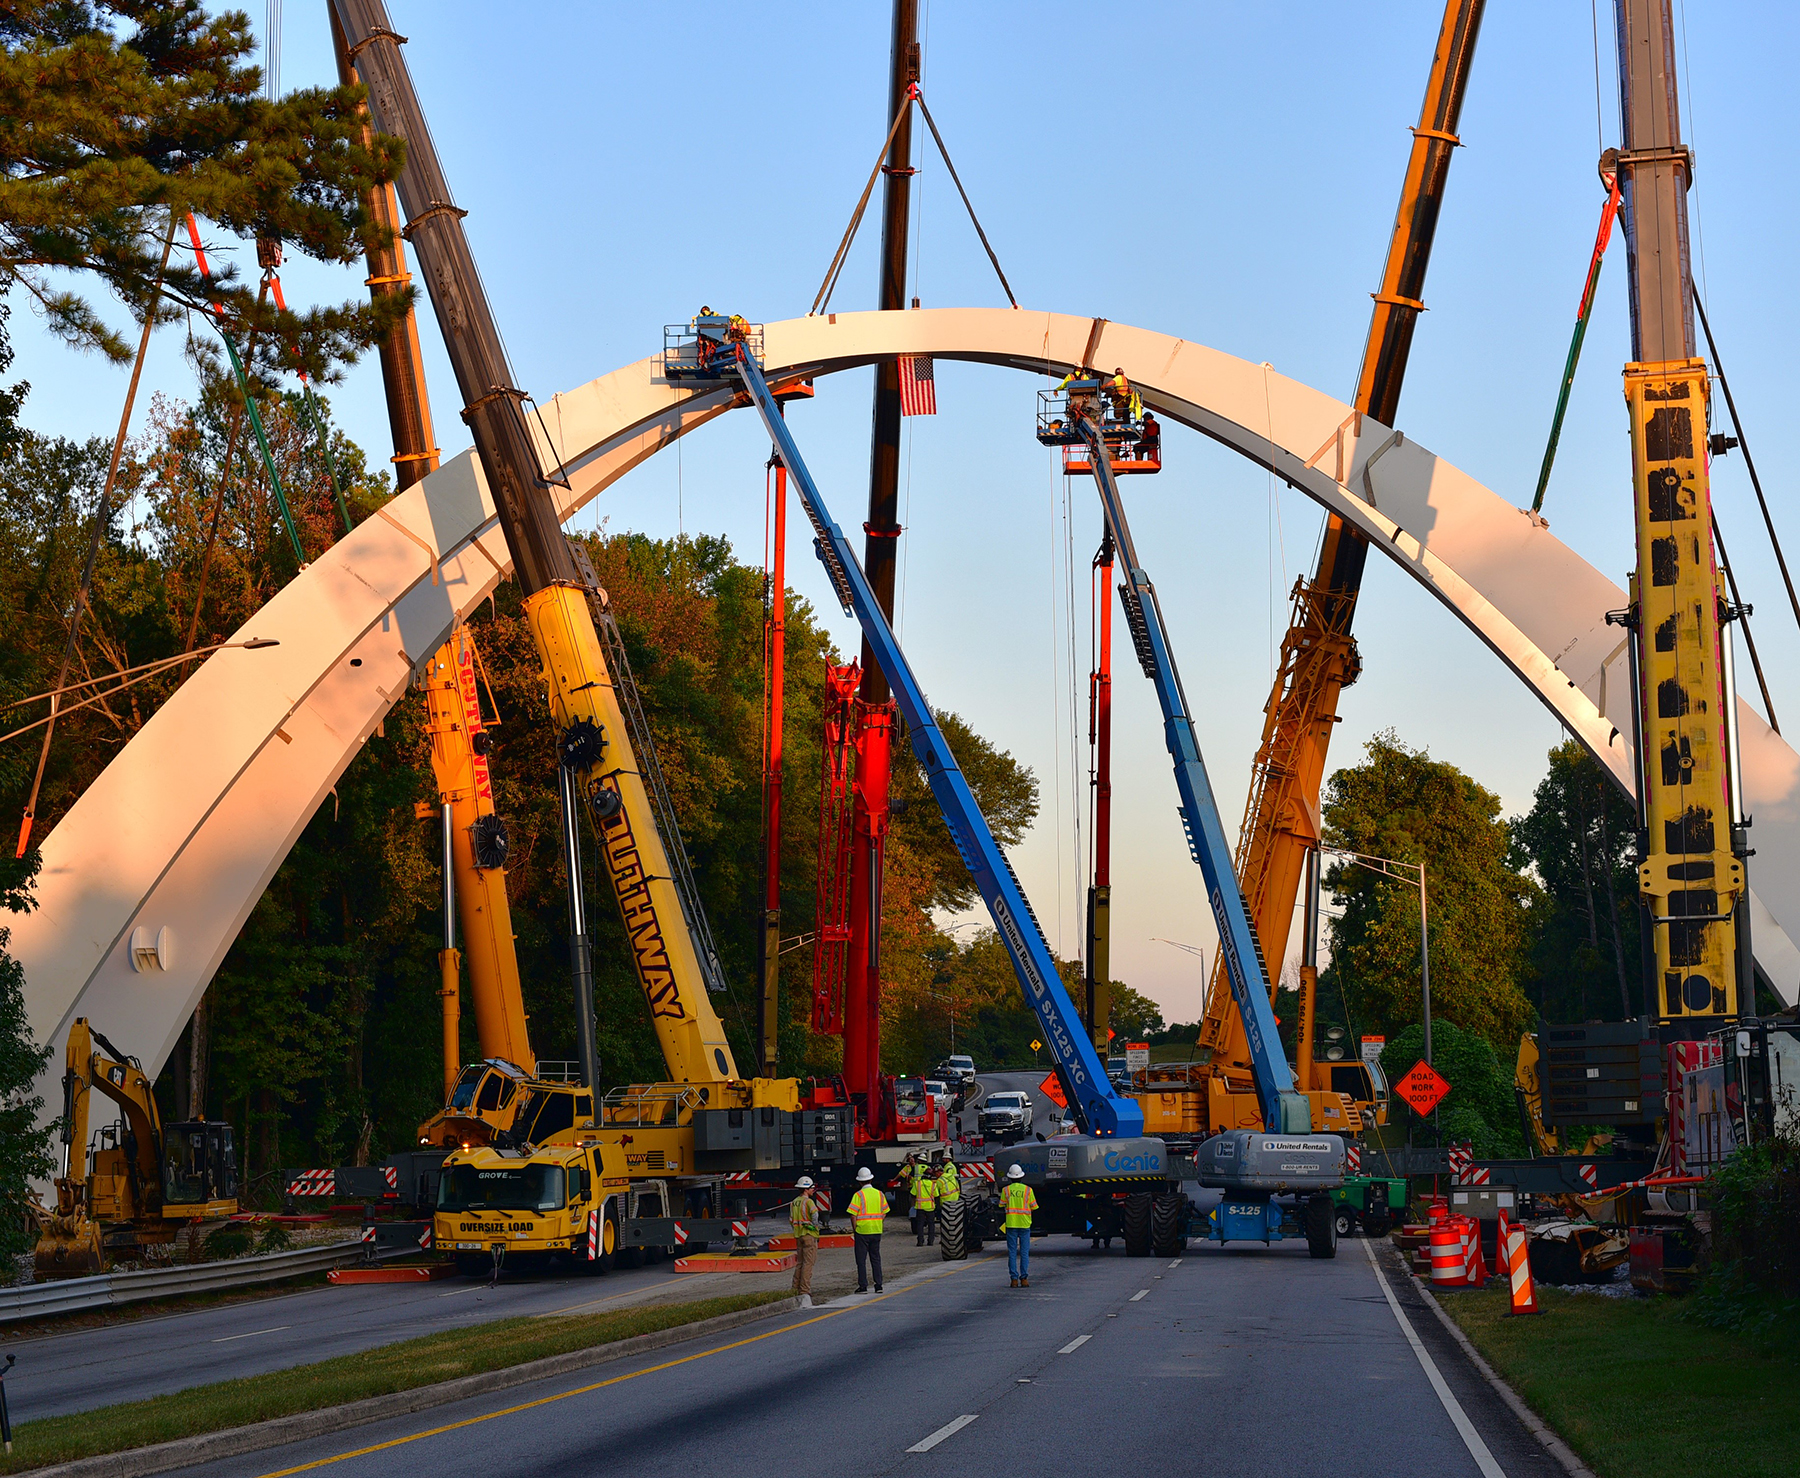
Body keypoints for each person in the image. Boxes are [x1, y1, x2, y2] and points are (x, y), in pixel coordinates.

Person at [848, 1166, 889, 1293]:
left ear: (860, 1181)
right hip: (876, 1230)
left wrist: (855, 1229)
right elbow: (885, 1211)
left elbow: (853, 1214)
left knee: (861, 1260)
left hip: (862, 1231)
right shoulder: (879, 1194)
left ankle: (863, 1286)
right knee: (875, 1258)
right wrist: (877, 1222)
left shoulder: (858, 1195)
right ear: (871, 1179)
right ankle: (879, 1285)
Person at [1000, 1163, 1038, 1287]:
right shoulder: (1028, 1190)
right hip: (1024, 1224)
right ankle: (1024, 1278)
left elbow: (1001, 1204)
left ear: (1010, 1177)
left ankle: (1014, 1280)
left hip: (1011, 1223)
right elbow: (1034, 1206)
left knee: (1012, 1252)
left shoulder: (1006, 1190)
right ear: (1021, 1176)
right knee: (1024, 1252)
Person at [790, 1175, 820, 1306]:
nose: (813, 1190)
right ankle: (804, 1290)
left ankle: (795, 1289)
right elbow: (815, 1215)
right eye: (812, 1187)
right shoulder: (809, 1202)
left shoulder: (794, 1202)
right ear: (806, 1189)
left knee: (800, 1263)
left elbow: (791, 1220)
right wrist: (814, 1226)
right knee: (808, 1263)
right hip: (808, 1235)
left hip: (798, 1235)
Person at [909, 1155, 938, 1245]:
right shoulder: (933, 1184)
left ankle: (920, 1241)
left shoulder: (917, 1184)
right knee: (931, 1225)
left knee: (920, 1225)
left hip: (920, 1207)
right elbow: (936, 1195)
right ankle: (930, 1241)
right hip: (930, 1208)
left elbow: (913, 1194)